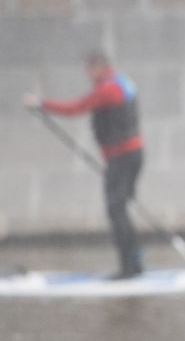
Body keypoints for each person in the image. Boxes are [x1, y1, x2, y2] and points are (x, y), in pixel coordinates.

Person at [24, 52, 144, 278]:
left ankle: (128, 269)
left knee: (116, 210)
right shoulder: (122, 82)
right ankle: (134, 264)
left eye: (89, 70)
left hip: (122, 157)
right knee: (121, 210)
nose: (87, 75)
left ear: (100, 67)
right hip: (132, 155)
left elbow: (75, 108)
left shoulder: (107, 90)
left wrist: (41, 103)